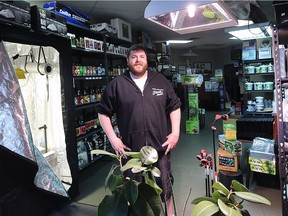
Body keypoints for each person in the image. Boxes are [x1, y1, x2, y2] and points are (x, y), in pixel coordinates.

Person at [96, 44, 181, 216]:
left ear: (147, 60)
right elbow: (103, 113)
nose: (138, 60)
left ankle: (170, 214)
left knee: (165, 186)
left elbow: (174, 107)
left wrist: (175, 133)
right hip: (131, 151)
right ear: (127, 60)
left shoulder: (160, 81)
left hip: (160, 148)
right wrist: (113, 139)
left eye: (141, 57)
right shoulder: (117, 84)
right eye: (133, 57)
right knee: (132, 191)